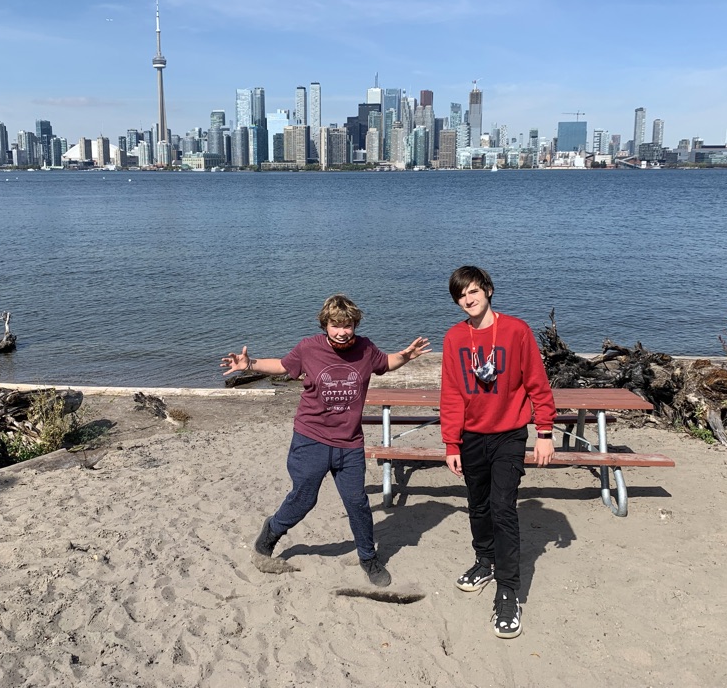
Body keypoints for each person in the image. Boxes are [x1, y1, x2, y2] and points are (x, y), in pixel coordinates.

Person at [222, 293, 430, 587]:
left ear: (355, 325)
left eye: (347, 325)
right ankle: (268, 537)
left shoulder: (366, 349)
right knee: (303, 500)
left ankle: (368, 558)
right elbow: (283, 366)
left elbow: (386, 362)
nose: (342, 332)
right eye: (335, 325)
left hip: (349, 443)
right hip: (311, 439)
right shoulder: (309, 348)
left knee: (357, 502)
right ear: (325, 325)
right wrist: (250, 363)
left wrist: (405, 356)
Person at [439, 265, 555, 638]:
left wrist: (546, 433)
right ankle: (484, 560)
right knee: (478, 505)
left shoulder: (516, 331)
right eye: (461, 295)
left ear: (488, 290)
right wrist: (451, 442)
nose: (468, 300)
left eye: (474, 291)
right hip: (471, 437)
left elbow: (537, 384)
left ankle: (508, 590)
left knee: (503, 507)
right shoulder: (455, 338)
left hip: (509, 435)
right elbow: (452, 394)